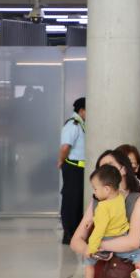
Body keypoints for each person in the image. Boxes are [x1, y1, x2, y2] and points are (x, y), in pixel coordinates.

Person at [82, 163, 140, 278]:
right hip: (121, 238)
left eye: (95, 189)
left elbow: (99, 230)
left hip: (106, 240)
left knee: (88, 263)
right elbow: (110, 217)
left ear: (106, 189)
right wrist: (94, 219)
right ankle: (139, 271)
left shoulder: (102, 207)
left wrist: (91, 247)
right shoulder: (119, 198)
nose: (94, 192)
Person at [59, 97, 88, 244]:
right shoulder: (73, 125)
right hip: (73, 168)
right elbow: (65, 147)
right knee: (71, 200)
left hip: (80, 169)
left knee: (78, 201)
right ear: (82, 111)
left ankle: (76, 233)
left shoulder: (81, 124)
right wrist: (60, 161)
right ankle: (68, 234)